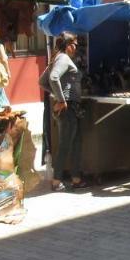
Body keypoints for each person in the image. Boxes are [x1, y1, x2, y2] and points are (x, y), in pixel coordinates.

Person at [44, 32, 86, 190]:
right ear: (68, 45)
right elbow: (53, 78)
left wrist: (57, 95)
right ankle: (56, 181)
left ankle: (76, 178)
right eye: (74, 44)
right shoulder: (63, 58)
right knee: (65, 144)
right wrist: (61, 99)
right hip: (67, 107)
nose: (76, 47)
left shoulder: (57, 58)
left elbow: (42, 81)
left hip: (70, 107)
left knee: (75, 143)